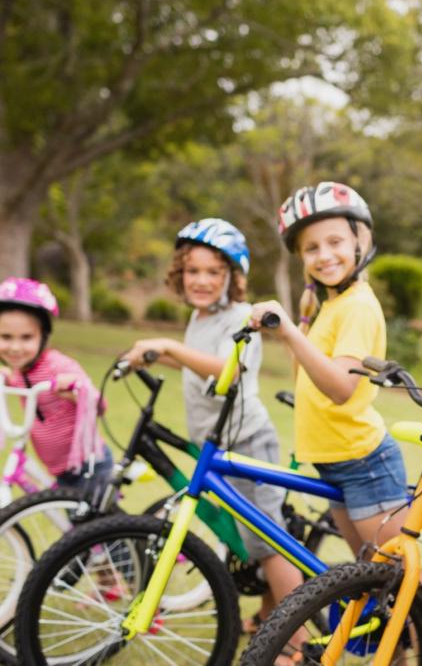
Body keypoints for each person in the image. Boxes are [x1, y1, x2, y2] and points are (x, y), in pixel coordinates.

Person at [122, 218, 304, 638]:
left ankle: (297, 642)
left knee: (267, 543)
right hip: (219, 444)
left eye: (213, 272)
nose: (201, 280)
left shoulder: (242, 318)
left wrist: (167, 346)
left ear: (232, 277)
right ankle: (266, 617)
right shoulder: (202, 317)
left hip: (247, 443)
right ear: (179, 274)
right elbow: (196, 360)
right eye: (193, 271)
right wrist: (153, 355)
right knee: (249, 539)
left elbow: (229, 368)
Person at [248, 182, 408, 557]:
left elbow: (341, 388)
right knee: (369, 574)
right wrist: (299, 325)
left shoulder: (357, 306)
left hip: (363, 462)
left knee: (397, 581)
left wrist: (288, 331)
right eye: (311, 248)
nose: (324, 256)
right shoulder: (333, 305)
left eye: (335, 242)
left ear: (360, 241)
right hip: (336, 461)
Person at [0, 277, 112, 496]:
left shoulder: (59, 366)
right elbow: (19, 382)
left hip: (88, 465)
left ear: (44, 337)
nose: (15, 347)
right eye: (5, 337)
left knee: (95, 529)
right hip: (59, 469)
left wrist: (75, 390)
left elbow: (100, 406)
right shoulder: (21, 371)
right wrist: (5, 376)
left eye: (26, 338)